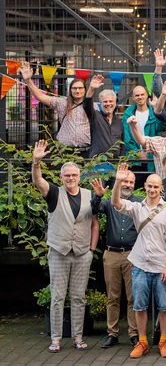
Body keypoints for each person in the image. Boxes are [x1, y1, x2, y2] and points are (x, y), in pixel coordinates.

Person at [31, 141, 98, 353]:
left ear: (80, 176)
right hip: (59, 251)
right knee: (58, 297)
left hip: (82, 253)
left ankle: (78, 337)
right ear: (61, 178)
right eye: (67, 175)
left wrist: (92, 250)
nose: (70, 178)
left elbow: (95, 224)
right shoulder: (53, 193)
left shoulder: (89, 195)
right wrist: (36, 162)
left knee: (79, 297)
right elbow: (38, 180)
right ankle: (56, 339)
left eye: (74, 175)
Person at [111, 165, 166, 359]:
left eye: (156, 187)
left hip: (160, 265)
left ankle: (163, 340)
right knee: (139, 305)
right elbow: (116, 203)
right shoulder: (136, 207)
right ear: (145, 187)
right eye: (149, 186)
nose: (152, 190)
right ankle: (142, 341)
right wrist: (117, 181)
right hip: (139, 264)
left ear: (160, 189)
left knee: (165, 306)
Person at [91, 171, 140, 348]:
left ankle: (134, 333)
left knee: (133, 297)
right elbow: (94, 209)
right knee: (113, 296)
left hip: (132, 254)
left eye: (131, 182)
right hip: (111, 254)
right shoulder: (111, 202)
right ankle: (112, 333)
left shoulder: (139, 203)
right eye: (125, 181)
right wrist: (97, 196)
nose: (128, 184)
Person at [21, 64, 91, 155]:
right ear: (70, 90)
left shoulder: (93, 106)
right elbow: (40, 96)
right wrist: (28, 80)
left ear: (85, 90)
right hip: (65, 150)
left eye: (80, 88)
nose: (77, 91)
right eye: (74, 88)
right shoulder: (62, 103)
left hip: (86, 151)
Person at [123, 85, 166, 184]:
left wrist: (157, 110)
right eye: (137, 95)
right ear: (133, 98)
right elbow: (127, 138)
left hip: (153, 157)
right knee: (134, 185)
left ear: (147, 95)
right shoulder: (128, 114)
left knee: (153, 186)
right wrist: (137, 154)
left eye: (142, 94)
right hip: (134, 159)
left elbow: (161, 127)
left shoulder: (153, 112)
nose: (140, 97)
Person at [84, 75, 124, 158]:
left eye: (111, 101)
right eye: (105, 101)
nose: (108, 104)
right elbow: (87, 104)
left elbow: (122, 144)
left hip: (115, 162)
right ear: (100, 103)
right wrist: (91, 88)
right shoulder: (95, 116)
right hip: (97, 162)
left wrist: (122, 161)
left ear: (115, 103)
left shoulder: (119, 122)